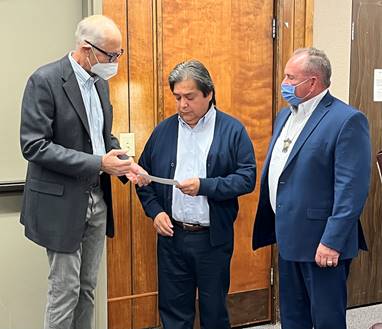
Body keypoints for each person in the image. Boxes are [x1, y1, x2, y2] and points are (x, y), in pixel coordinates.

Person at [20, 15, 148, 329]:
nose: (115, 62)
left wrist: (125, 162)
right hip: (61, 204)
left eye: (119, 55)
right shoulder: (45, 80)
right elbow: (34, 145)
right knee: (65, 289)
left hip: (96, 201)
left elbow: (102, 138)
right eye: (110, 55)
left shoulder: (100, 85)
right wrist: (98, 163)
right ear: (86, 49)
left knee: (88, 289)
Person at [252, 47, 371, 329]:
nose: (285, 83)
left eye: (290, 78)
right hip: (289, 238)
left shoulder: (346, 120)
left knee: (326, 319)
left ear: (313, 82)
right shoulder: (285, 117)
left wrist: (332, 241)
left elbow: (351, 189)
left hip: (323, 245)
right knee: (293, 318)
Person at [136, 60, 256, 329]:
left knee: (214, 313)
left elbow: (247, 179)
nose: (182, 105)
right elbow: (143, 180)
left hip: (212, 240)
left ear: (208, 93)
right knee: (174, 312)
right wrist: (155, 212)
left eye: (189, 97)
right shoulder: (163, 131)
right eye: (177, 97)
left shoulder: (231, 130)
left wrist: (205, 186)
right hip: (172, 239)